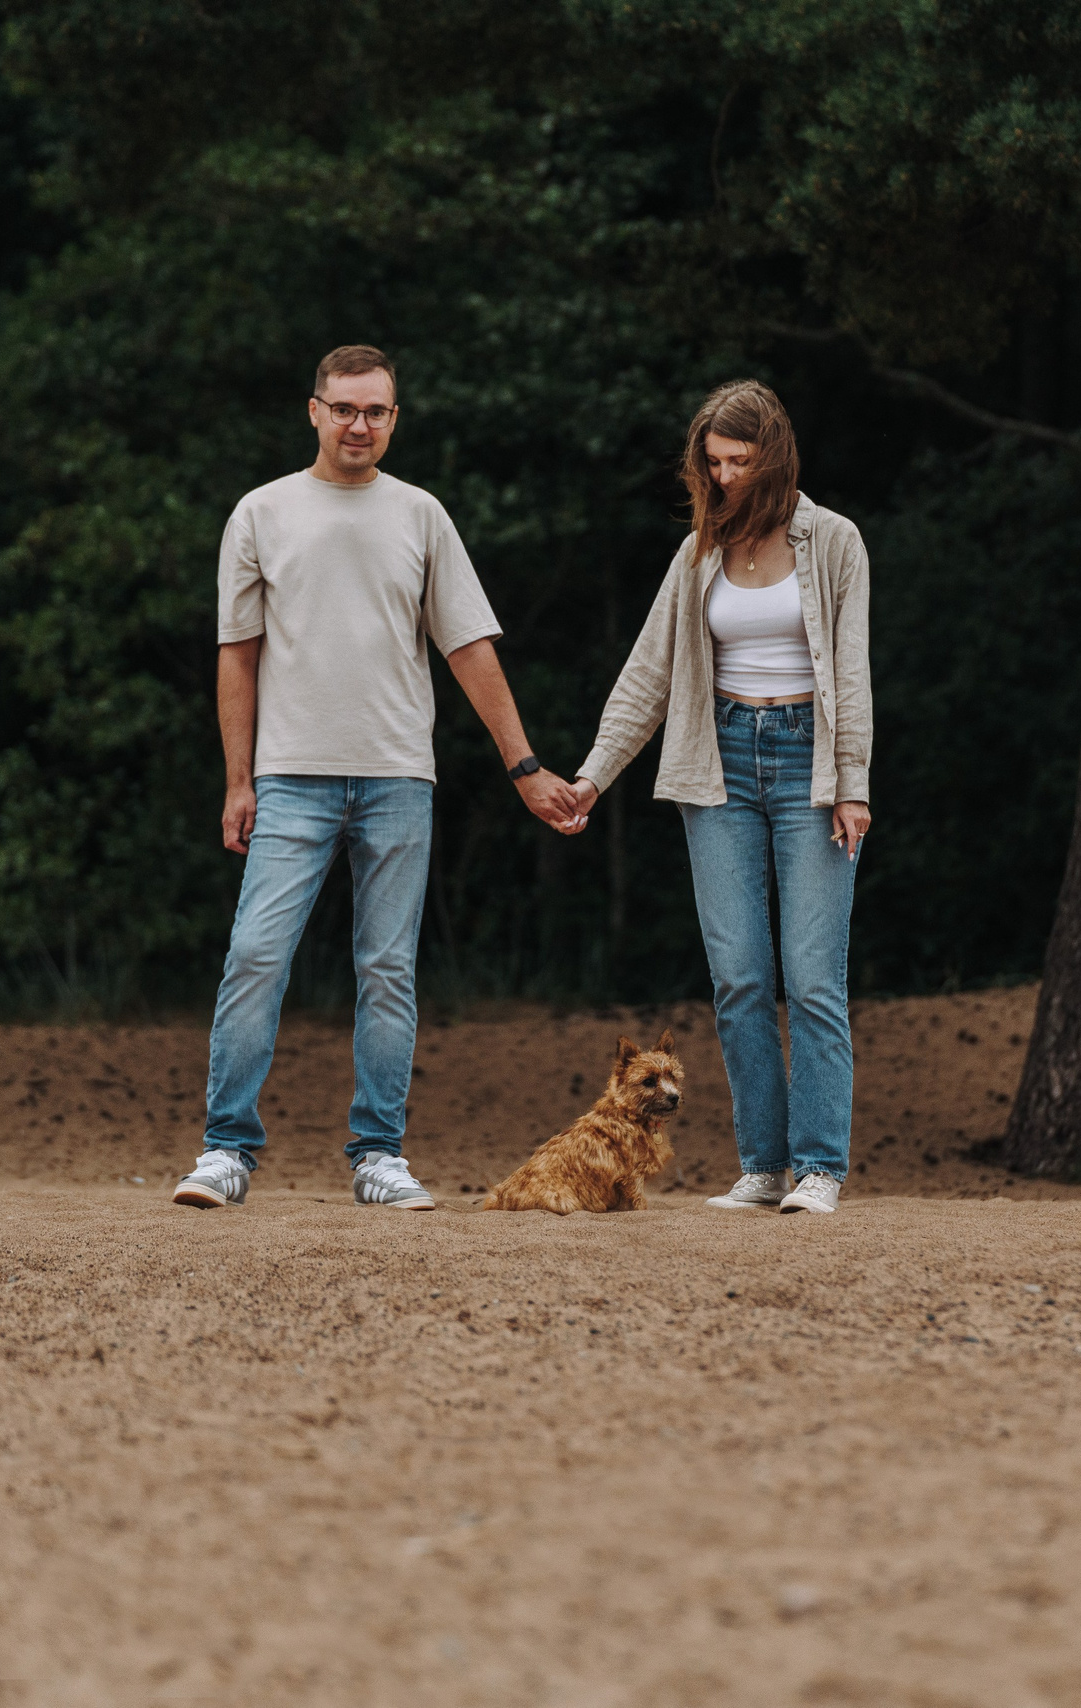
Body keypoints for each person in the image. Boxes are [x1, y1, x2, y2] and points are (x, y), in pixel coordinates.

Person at [173, 344, 577, 1211]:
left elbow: (468, 646)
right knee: (255, 956)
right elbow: (236, 656)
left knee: (387, 969)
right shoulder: (261, 512)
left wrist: (525, 765)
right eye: (346, 408)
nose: (361, 425)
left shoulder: (422, 516)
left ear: (396, 419)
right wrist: (237, 780)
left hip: (398, 778)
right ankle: (225, 1150)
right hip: (289, 778)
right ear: (314, 410)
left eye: (378, 412)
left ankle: (379, 1156)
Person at [570, 380, 871, 1214]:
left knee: (812, 977)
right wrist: (594, 774)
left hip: (811, 764)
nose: (729, 476)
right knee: (738, 978)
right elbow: (649, 673)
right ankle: (763, 1166)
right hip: (719, 765)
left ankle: (818, 1168)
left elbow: (853, 672)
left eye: (742, 461)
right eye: (715, 463)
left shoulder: (835, 541)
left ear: (775, 456)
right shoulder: (699, 549)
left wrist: (854, 785)